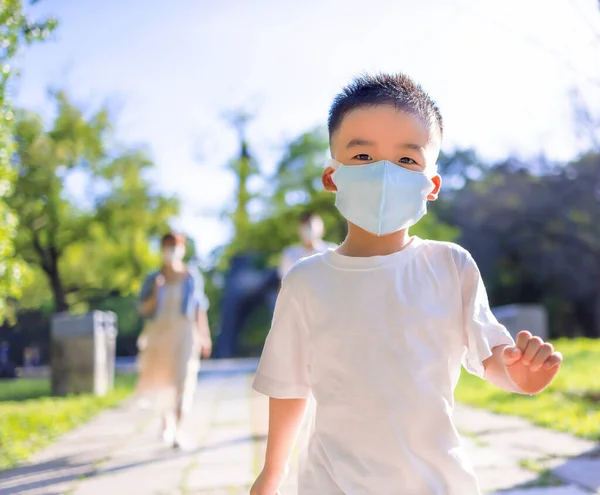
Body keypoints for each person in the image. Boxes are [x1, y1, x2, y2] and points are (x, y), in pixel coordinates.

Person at [250, 73, 563, 495]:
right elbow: (288, 385)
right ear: (332, 176)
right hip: (332, 483)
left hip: (436, 483)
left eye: (407, 160)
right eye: (362, 156)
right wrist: (271, 474)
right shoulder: (306, 281)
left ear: (431, 185)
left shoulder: (451, 266)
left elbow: (492, 357)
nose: (383, 174)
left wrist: (522, 377)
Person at [136, 232, 212, 449]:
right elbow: (144, 309)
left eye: (175, 246)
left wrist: (204, 336)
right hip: (159, 334)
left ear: (182, 250)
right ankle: (165, 422)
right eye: (167, 246)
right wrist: (155, 291)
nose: (171, 250)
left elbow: (199, 308)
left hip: (185, 333)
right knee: (163, 381)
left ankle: (179, 427)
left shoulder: (191, 276)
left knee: (183, 379)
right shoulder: (153, 278)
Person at [277, 212, 337, 279]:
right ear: (298, 230)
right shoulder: (289, 254)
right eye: (304, 223)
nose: (308, 228)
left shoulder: (334, 251)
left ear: (323, 230)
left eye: (311, 224)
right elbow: (283, 285)